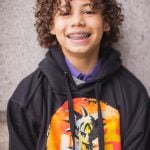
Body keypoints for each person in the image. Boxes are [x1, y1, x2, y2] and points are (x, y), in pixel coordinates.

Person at [7, 0, 150, 149]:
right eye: (65, 12)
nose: (77, 21)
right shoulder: (26, 99)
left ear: (106, 21)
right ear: (51, 24)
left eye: (89, 11)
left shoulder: (133, 95)